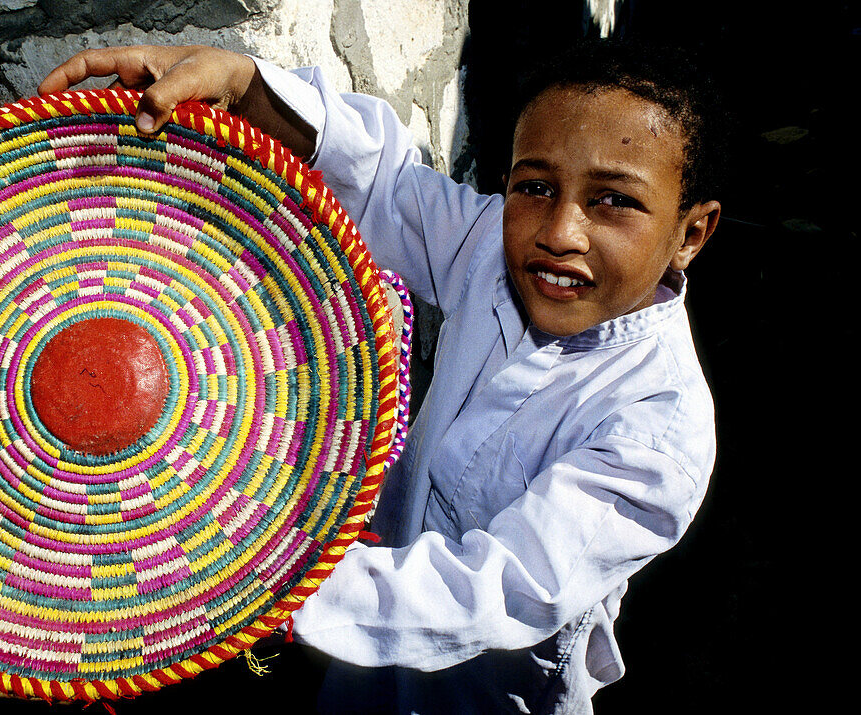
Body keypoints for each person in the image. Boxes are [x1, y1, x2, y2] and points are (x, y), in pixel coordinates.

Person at [39, 38, 724, 714]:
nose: (560, 231)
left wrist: (248, 579)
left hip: (487, 693)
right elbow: (386, 186)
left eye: (614, 202)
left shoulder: (657, 423)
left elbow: (500, 586)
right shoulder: (492, 246)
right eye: (534, 185)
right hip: (357, 651)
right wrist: (244, 84)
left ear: (691, 232)